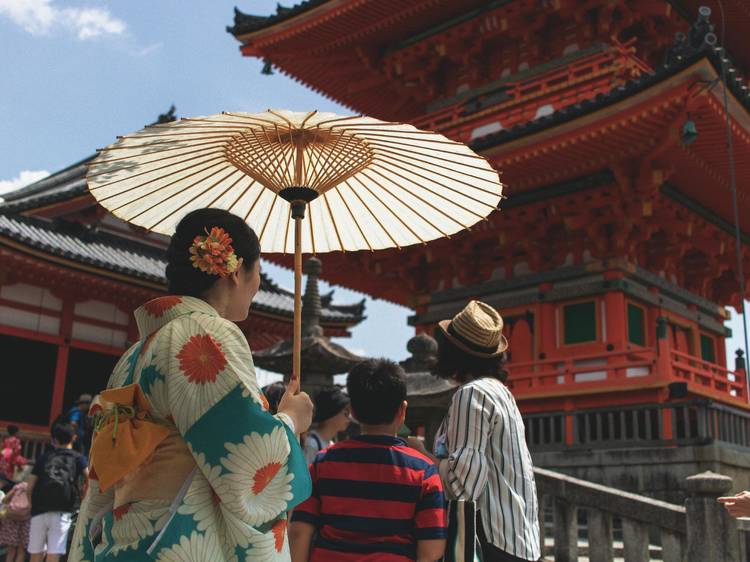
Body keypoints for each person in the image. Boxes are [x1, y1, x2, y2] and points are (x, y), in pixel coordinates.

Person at [69, 208, 313, 562]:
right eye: (258, 271)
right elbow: (244, 456)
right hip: (177, 537)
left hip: (127, 535)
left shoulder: (135, 354)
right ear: (234, 269)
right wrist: (291, 420)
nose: (258, 284)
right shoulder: (204, 335)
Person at [407, 301, 541, 562]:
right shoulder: (501, 393)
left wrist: (423, 455)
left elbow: (463, 485)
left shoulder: (472, 395)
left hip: (492, 541)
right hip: (518, 537)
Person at [290, 359, 447, 562]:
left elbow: (299, 533)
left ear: (353, 411)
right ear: (402, 411)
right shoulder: (424, 472)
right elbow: (432, 551)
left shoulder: (322, 463)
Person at [26, 423, 87, 562]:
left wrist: (31, 505)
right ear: (74, 437)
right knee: (54, 553)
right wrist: (83, 496)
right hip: (62, 511)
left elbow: (29, 487)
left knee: (35, 553)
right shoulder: (78, 458)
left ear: (54, 439)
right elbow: (89, 477)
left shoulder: (44, 457)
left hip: (38, 511)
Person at [303, 386, 351, 463]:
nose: (349, 418)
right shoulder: (312, 445)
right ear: (332, 415)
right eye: (346, 413)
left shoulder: (330, 444)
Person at [0, 480, 30, 562]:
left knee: (11, 549)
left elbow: (5, 500)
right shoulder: (32, 487)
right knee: (21, 550)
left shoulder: (17, 487)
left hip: (12, 518)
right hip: (25, 519)